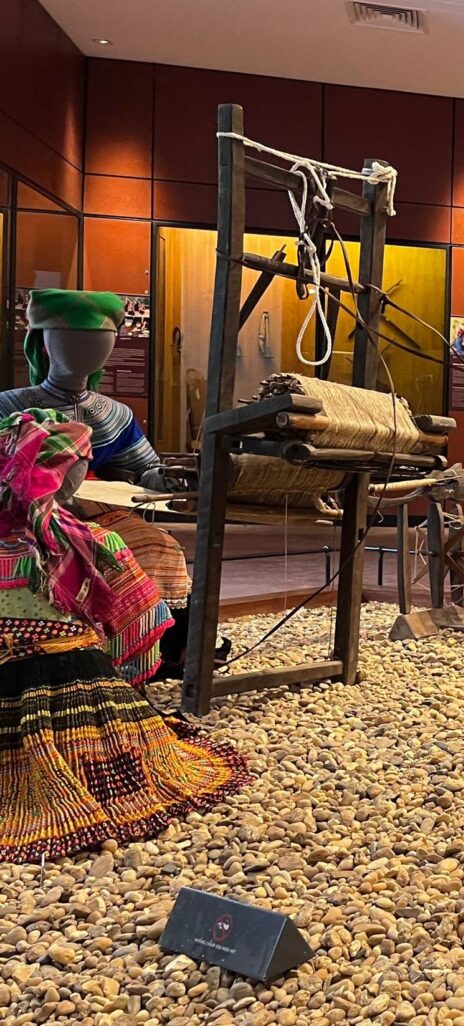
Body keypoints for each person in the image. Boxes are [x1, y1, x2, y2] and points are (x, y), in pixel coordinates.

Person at [0, 409, 249, 862]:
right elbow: (139, 620)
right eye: (83, 463)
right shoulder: (91, 542)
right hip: (81, 687)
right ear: (65, 473)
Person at [0, 289, 204, 676]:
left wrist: (167, 477)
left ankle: (155, 651)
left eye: (97, 344)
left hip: (101, 514)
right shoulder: (9, 405)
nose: (85, 352)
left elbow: (144, 468)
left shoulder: (115, 415)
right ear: (42, 345)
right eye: (70, 342)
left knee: (161, 545)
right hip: (21, 517)